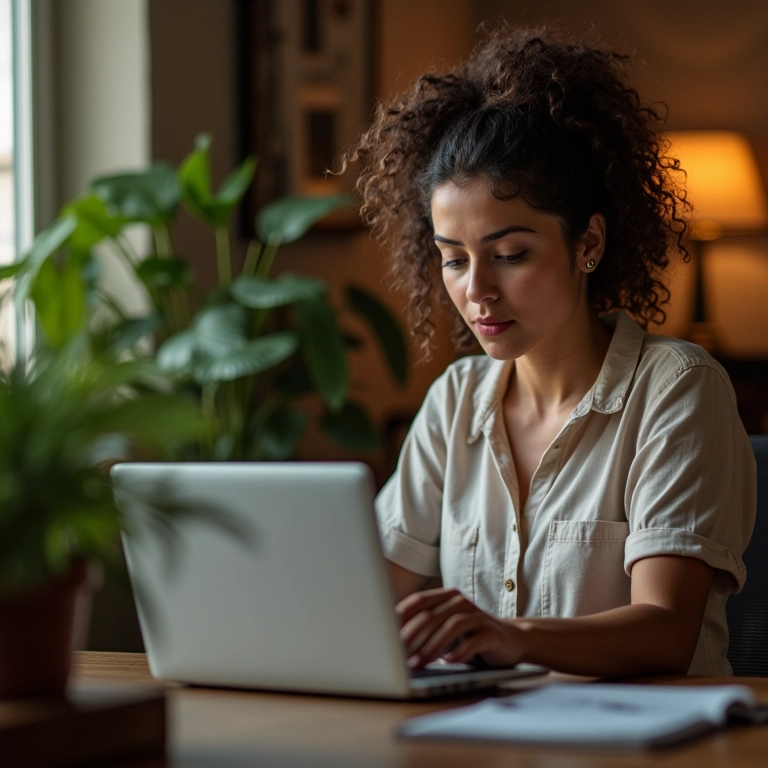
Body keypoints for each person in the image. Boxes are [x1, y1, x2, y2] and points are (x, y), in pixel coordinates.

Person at [343, 23, 756, 677]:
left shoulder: (677, 389)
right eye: (453, 260)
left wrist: (511, 636)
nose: (476, 290)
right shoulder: (455, 401)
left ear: (588, 244)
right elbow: (359, 602)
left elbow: (665, 631)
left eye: (510, 255)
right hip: (483, 738)